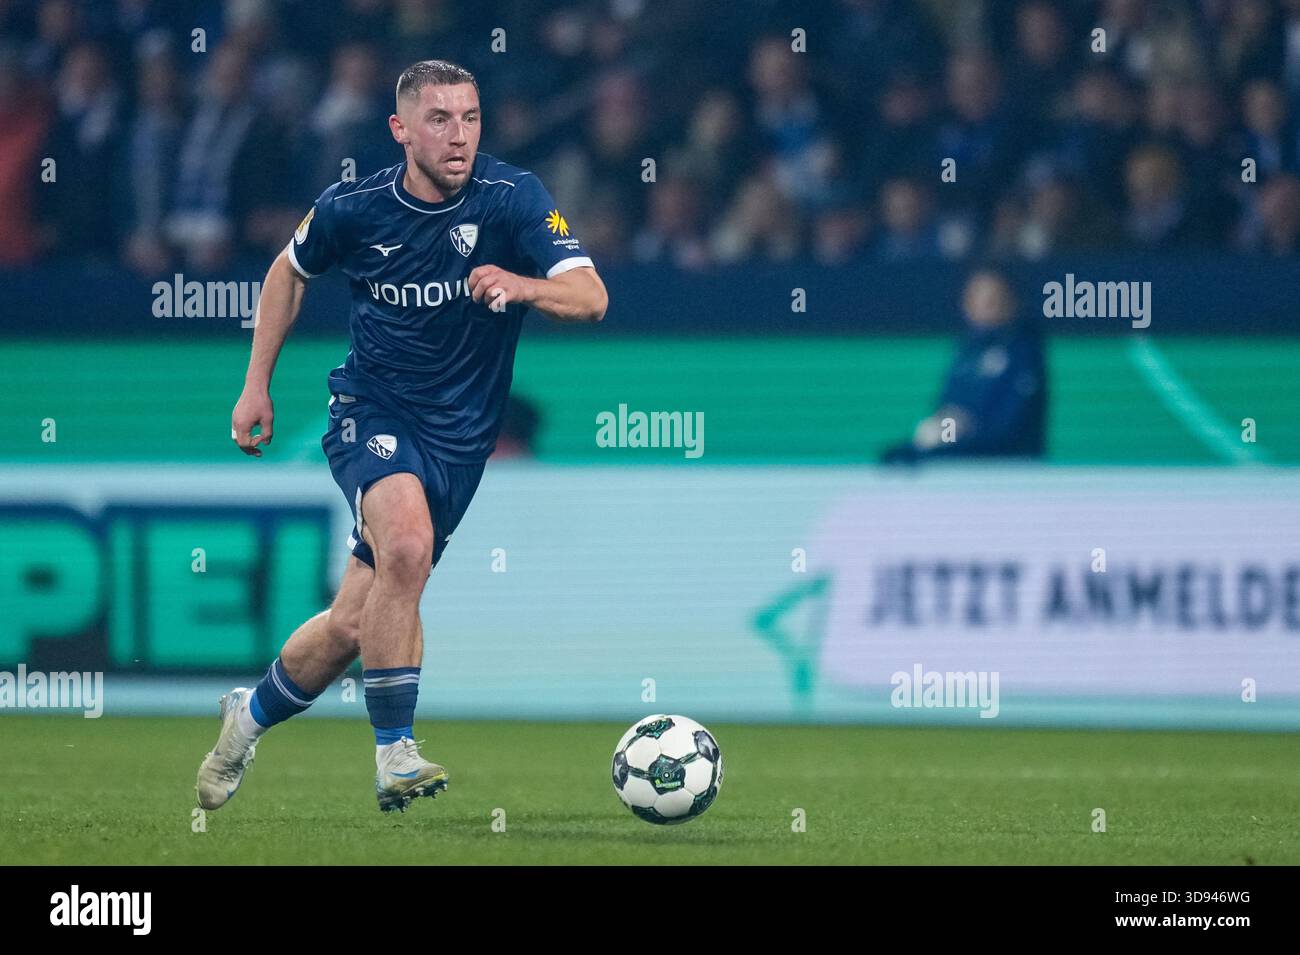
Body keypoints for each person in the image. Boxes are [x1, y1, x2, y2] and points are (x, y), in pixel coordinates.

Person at [196, 59, 607, 813]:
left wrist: (524, 285)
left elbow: (590, 295)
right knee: (408, 548)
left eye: (472, 118)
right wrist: (256, 384)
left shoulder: (516, 201)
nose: (460, 137)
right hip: (371, 410)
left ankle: (244, 720)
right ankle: (395, 753)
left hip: (460, 442)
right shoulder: (353, 207)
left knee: (355, 621)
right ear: (401, 130)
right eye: (441, 120)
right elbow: (288, 272)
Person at [880, 269, 1045, 464]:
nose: (986, 306)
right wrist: (941, 437)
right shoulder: (966, 353)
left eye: (993, 298)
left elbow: (1010, 430)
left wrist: (967, 432)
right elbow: (949, 411)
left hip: (1010, 469)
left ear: (1011, 302)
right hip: (964, 467)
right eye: (977, 298)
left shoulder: (1023, 352)